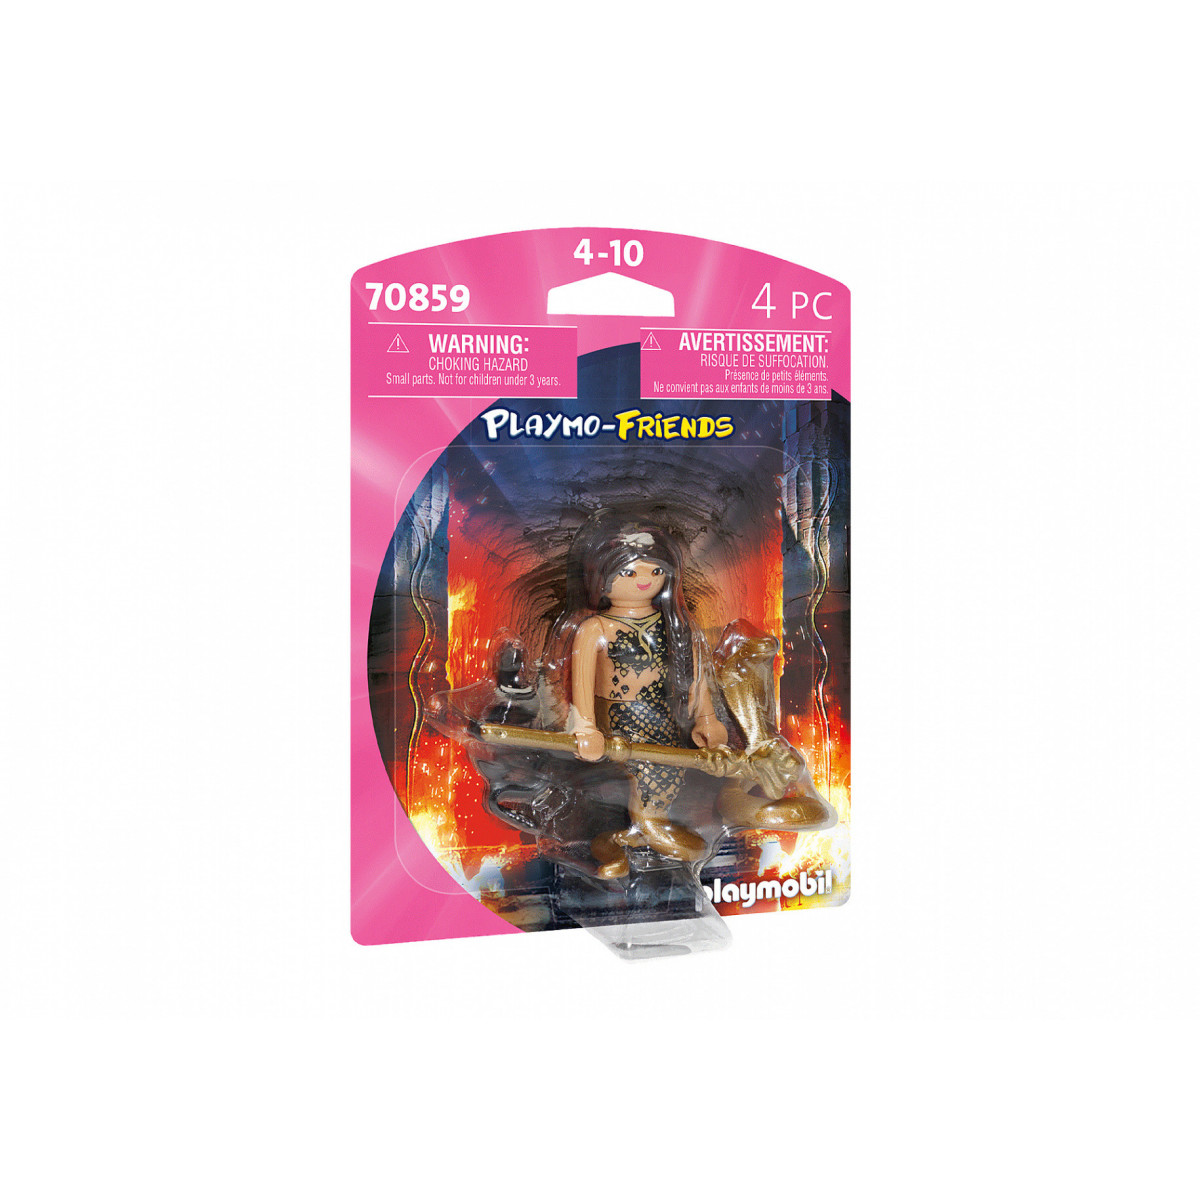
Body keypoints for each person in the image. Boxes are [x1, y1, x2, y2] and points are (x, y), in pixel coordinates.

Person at [566, 523, 727, 878]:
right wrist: (586, 728)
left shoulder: (677, 626)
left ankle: (629, 837)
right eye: (630, 572)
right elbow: (581, 686)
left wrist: (707, 718)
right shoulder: (595, 629)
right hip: (618, 719)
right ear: (603, 578)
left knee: (671, 769)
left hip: (663, 716)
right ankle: (647, 828)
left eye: (655, 571)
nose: (644, 580)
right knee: (648, 771)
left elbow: (695, 675)